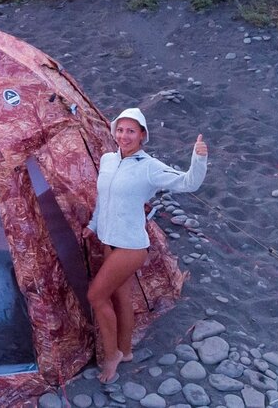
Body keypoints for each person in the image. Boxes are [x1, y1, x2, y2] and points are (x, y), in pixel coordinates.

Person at [85, 107, 208, 383]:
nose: (124, 136)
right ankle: (126, 351)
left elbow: (188, 183)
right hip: (108, 241)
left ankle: (111, 355)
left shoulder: (148, 167)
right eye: (120, 129)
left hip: (130, 246)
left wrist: (199, 159)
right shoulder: (107, 160)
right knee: (120, 297)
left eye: (131, 131)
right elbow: (103, 199)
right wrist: (92, 226)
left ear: (142, 135)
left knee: (96, 296)